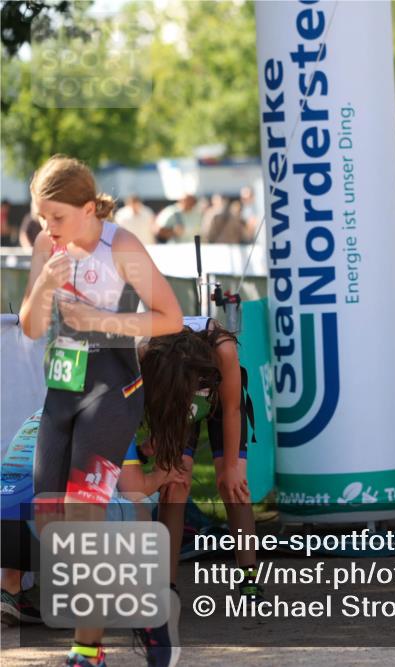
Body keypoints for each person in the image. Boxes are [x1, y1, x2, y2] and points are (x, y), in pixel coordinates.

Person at [18, 154, 183, 667]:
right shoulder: (48, 246)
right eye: (43, 218)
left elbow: (171, 318)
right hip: (63, 389)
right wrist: (44, 282)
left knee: (84, 520)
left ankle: (86, 651)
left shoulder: (122, 246)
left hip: (113, 388)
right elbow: (28, 326)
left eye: (58, 218)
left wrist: (103, 320)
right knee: (48, 521)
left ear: (89, 208)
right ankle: (148, 606)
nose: (49, 228)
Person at [140, 317, 262, 603]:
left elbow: (232, 409)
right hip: (170, 400)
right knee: (173, 482)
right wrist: (155, 442)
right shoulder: (147, 352)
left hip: (222, 404)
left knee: (232, 485)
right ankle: (166, 585)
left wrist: (231, 468)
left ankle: (249, 581)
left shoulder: (223, 349)